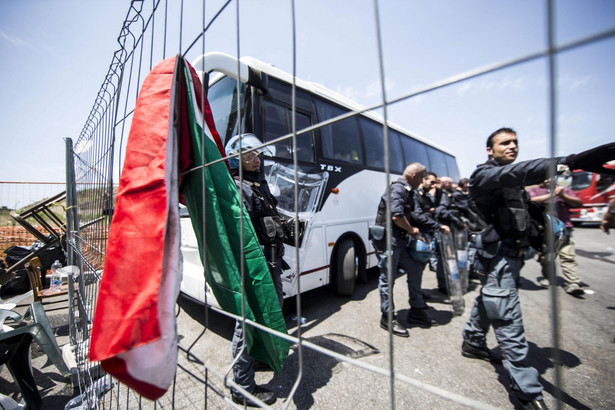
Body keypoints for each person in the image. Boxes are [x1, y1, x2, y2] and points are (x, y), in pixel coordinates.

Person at [461, 127, 615, 410]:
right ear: (489, 149)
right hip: (496, 259)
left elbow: (520, 193)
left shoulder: (512, 185)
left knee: (491, 300)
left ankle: (472, 341)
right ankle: (526, 390)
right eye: (504, 143)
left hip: (511, 257)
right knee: (507, 317)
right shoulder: (485, 175)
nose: (512, 146)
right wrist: (569, 161)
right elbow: (517, 172)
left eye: (515, 142)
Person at [225, 133, 286, 407]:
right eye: (250, 155)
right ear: (238, 160)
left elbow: (265, 219)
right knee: (247, 322)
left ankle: (260, 357)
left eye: (258, 154)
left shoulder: (258, 185)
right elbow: (243, 233)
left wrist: (285, 224)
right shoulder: (238, 187)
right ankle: (242, 387)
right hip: (256, 267)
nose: (257, 159)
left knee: (274, 309)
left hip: (272, 262)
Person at [371, 162, 424, 337]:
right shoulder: (398, 189)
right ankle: (387, 318)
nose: (423, 181)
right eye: (422, 177)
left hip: (401, 241)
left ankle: (416, 309)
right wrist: (411, 230)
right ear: (415, 176)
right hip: (389, 242)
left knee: (415, 268)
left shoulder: (408, 191)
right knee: (388, 279)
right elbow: (397, 216)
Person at [527, 178, 584, 296]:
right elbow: (530, 202)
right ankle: (548, 277)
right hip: (542, 231)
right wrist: (551, 195)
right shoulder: (534, 190)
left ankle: (573, 283)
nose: (549, 179)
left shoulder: (564, 190)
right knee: (546, 258)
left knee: (567, 255)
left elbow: (578, 203)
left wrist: (562, 194)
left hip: (563, 229)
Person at [410, 173, 451, 320]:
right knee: (415, 270)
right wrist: (438, 225)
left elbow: (436, 208)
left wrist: (438, 189)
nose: (434, 185)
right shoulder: (416, 194)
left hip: (427, 235)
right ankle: (416, 305)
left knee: (421, 269)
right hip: (419, 236)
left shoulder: (427, 195)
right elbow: (418, 216)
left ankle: (418, 296)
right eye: (432, 182)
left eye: (436, 183)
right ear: (423, 180)